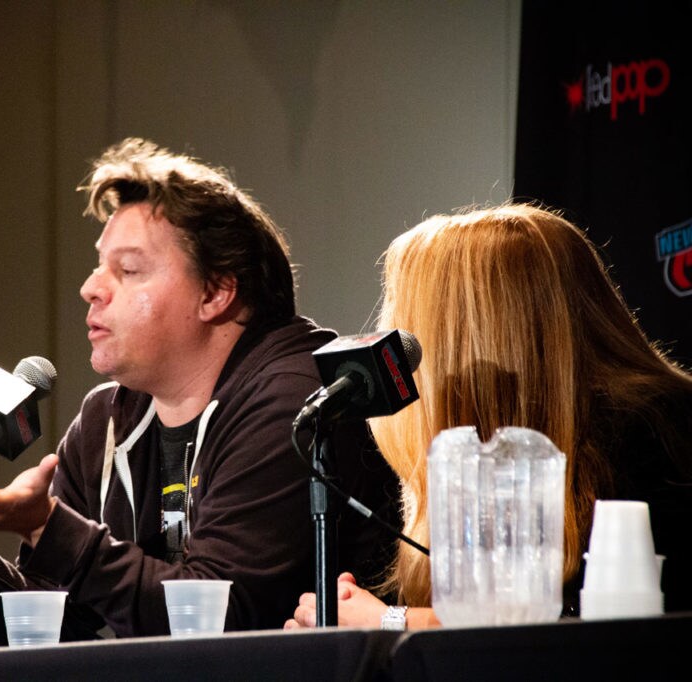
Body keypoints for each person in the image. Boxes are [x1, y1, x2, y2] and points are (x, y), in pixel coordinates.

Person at [0, 137, 401, 643]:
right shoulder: (107, 420)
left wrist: (51, 528)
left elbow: (218, 626)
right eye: (99, 267)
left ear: (216, 292)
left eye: (127, 270)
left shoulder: (295, 401)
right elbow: (42, 637)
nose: (91, 289)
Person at [285, 203, 692, 630]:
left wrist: (390, 621)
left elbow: (608, 631)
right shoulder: (436, 461)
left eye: (407, 318)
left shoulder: (656, 429)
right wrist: (334, 623)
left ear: (459, 339)